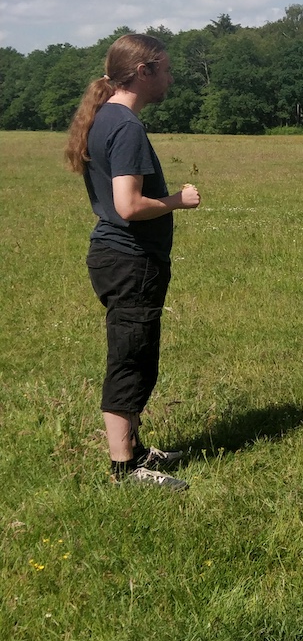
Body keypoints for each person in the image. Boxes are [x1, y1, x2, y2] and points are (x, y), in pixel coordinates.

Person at [64, 34, 199, 491]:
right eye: (166, 68)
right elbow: (128, 205)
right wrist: (177, 201)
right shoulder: (126, 127)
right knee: (131, 358)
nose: (172, 77)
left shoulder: (105, 117)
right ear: (143, 72)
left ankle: (135, 449)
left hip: (117, 257)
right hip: (129, 259)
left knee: (136, 352)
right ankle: (126, 469)